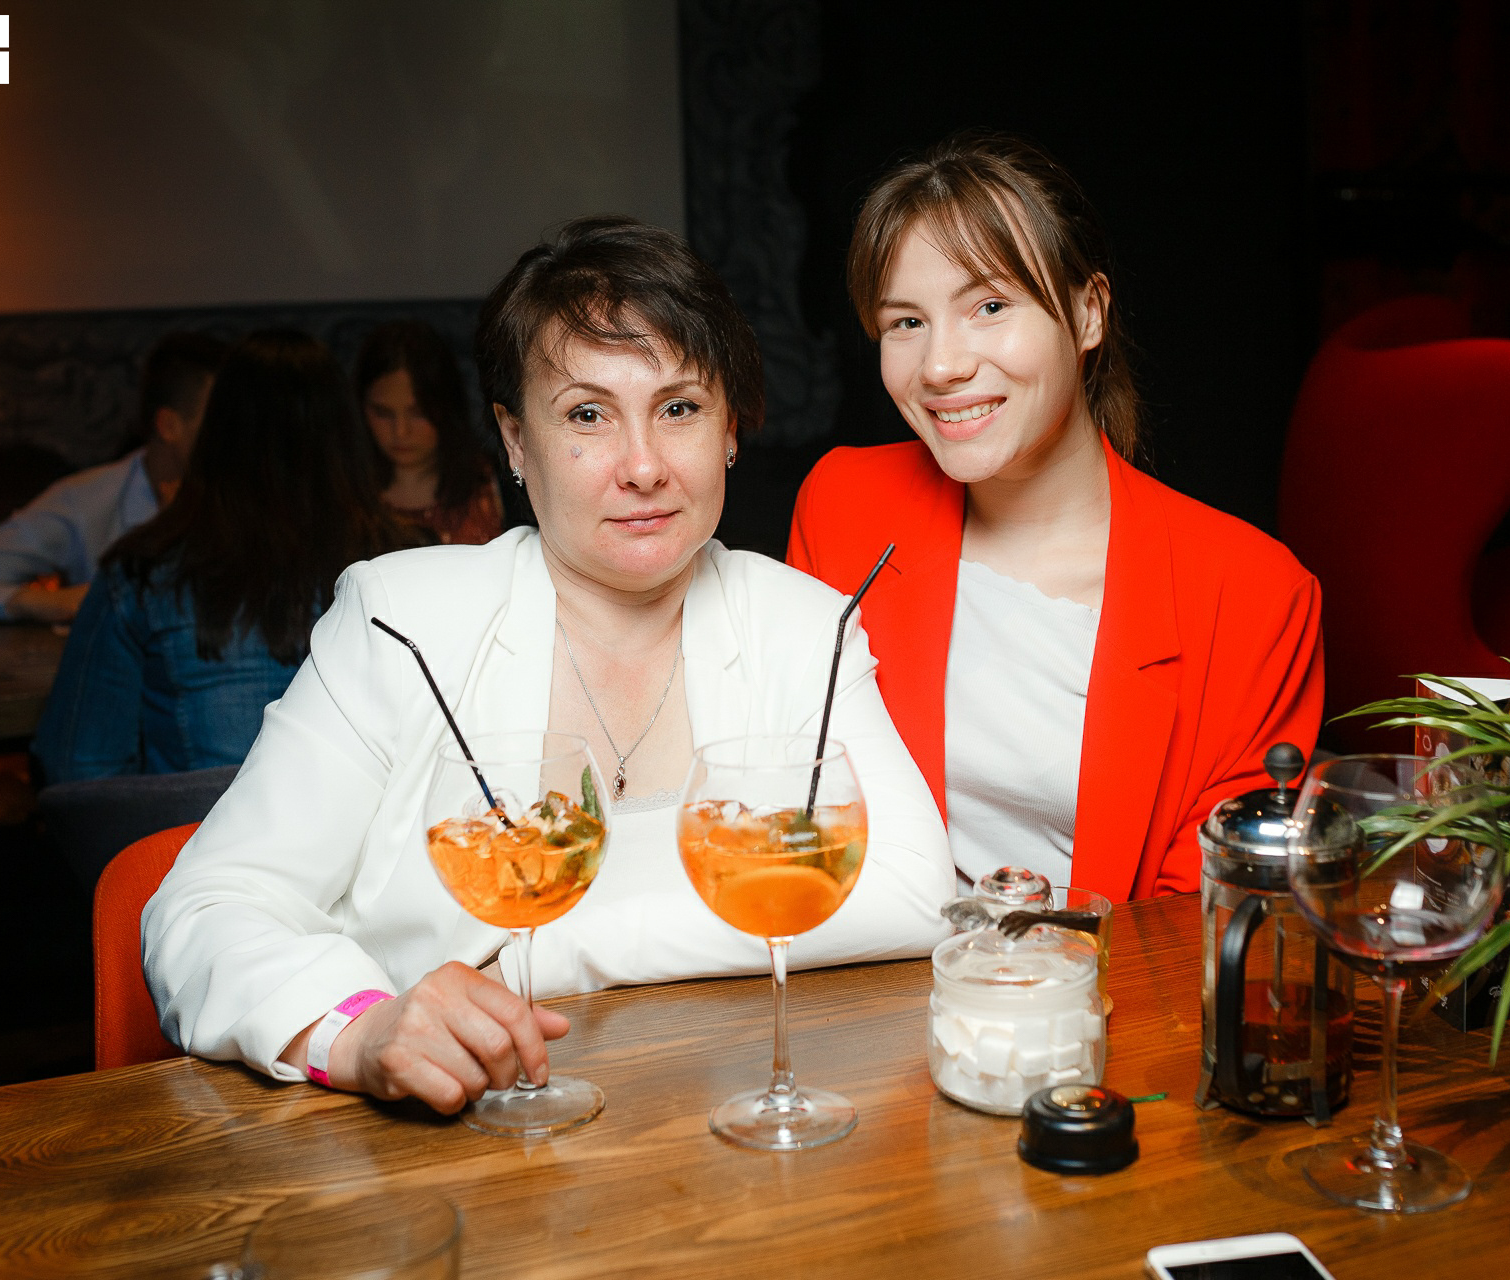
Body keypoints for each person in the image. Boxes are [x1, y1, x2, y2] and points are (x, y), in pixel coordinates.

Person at [143, 217, 954, 1113]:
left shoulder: (800, 623)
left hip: (718, 1127)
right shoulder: (401, 624)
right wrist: (362, 1032)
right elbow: (206, 910)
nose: (642, 466)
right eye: (587, 415)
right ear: (515, 442)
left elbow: (912, 890)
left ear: (730, 428)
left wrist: (544, 952)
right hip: (441, 1145)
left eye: (679, 408)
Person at [787, 132, 1325, 901]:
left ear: (1088, 313)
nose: (940, 365)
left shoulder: (1253, 595)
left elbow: (1203, 916)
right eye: (906, 322)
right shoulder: (845, 504)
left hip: (1102, 972)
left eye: (989, 306)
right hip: (880, 963)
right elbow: (801, 800)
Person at [32, 331, 423, 785]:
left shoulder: (141, 574)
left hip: (194, 828)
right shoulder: (407, 562)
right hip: (370, 832)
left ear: (217, 434)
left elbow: (78, 769)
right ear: (347, 434)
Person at [0, 332, 228, 623]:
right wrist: (49, 603)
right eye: (225, 422)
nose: (241, 436)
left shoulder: (245, 496)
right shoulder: (90, 501)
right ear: (169, 426)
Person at [355, 320, 505, 545]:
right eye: (383, 413)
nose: (401, 431)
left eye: (418, 413)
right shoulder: (346, 495)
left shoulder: (497, 484)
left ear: (446, 407)